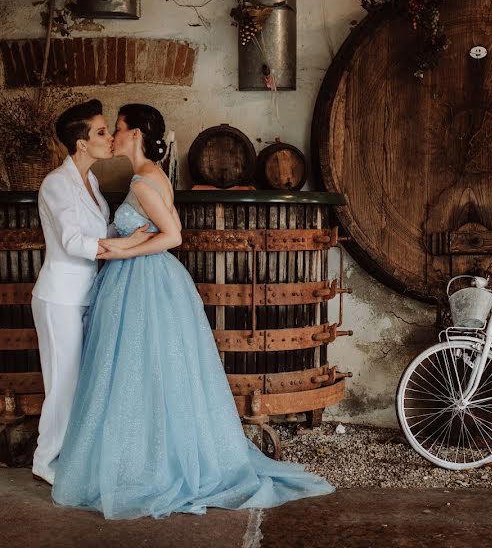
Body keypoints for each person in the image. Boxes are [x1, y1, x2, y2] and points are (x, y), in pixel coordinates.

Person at [51, 104, 334, 519]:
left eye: (119, 128)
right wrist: (125, 245)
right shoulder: (148, 178)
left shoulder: (143, 181)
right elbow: (156, 227)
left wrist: (117, 249)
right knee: (149, 371)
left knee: (136, 369)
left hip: (143, 281)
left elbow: (173, 235)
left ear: (135, 136)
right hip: (144, 277)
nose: (113, 134)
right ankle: (147, 454)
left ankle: (146, 464)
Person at [30, 100, 149, 484]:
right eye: (101, 132)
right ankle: (45, 462)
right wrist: (123, 248)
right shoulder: (55, 183)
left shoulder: (92, 182)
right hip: (59, 297)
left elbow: (100, 233)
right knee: (63, 384)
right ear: (81, 143)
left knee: (83, 381)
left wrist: (132, 235)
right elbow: (71, 241)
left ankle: (73, 456)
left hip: (88, 293)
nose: (108, 137)